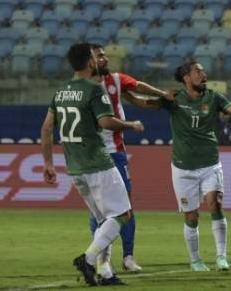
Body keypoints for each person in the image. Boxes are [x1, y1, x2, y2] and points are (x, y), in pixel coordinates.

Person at [140, 61, 231, 272]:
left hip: (210, 164)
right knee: (191, 216)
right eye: (197, 71)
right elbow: (145, 103)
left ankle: (221, 257)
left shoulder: (214, 97)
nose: (203, 74)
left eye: (204, 70)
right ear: (186, 77)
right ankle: (195, 260)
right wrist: (125, 92)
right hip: (183, 168)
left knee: (216, 204)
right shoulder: (175, 99)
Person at [41, 43, 144, 286]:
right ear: (90, 61)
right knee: (123, 214)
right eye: (94, 57)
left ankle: (105, 273)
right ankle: (87, 259)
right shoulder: (94, 88)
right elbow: (107, 122)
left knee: (102, 220)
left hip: (75, 169)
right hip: (97, 163)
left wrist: (48, 163)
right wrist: (132, 125)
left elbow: (46, 128)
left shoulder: (61, 92)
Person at [89, 44, 175, 277]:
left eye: (105, 55)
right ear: (89, 62)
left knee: (125, 205)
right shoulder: (83, 87)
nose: (105, 58)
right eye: (99, 56)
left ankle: (127, 256)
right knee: (99, 209)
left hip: (116, 151)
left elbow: (137, 89)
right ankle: (99, 256)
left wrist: (161, 96)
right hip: (94, 153)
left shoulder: (115, 80)